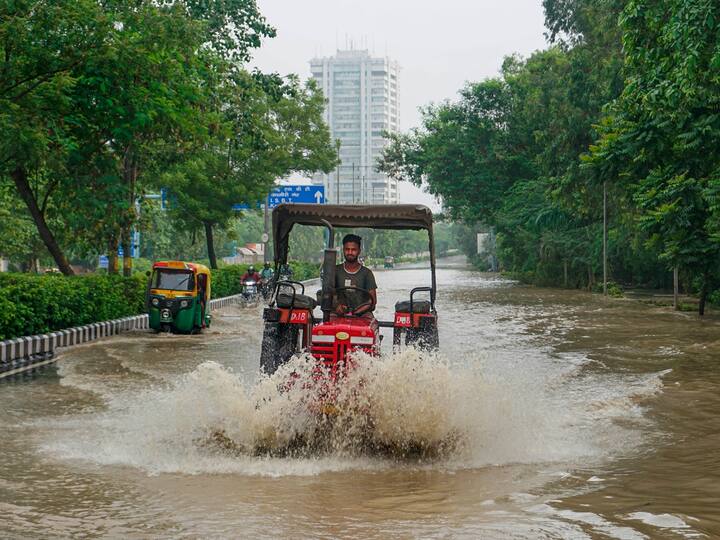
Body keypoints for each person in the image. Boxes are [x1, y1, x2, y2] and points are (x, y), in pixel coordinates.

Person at [334, 234, 377, 317]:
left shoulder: (367, 273)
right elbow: (328, 293)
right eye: (347, 249)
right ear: (343, 250)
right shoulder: (335, 271)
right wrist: (337, 306)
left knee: (370, 325)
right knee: (325, 324)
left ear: (359, 251)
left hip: (362, 313)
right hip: (338, 312)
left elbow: (372, 300)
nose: (350, 252)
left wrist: (356, 312)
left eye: (353, 250)